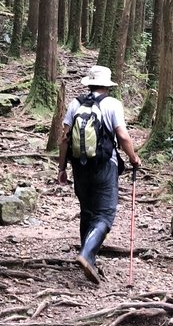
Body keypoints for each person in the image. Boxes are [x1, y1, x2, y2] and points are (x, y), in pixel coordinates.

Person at [57, 65, 142, 284]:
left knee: (87, 211)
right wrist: (133, 158)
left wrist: (62, 168)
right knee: (104, 214)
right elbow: (122, 136)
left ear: (89, 83)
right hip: (105, 166)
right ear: (107, 86)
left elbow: (65, 138)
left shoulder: (75, 104)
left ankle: (90, 257)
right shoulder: (113, 104)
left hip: (79, 166)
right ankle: (86, 255)